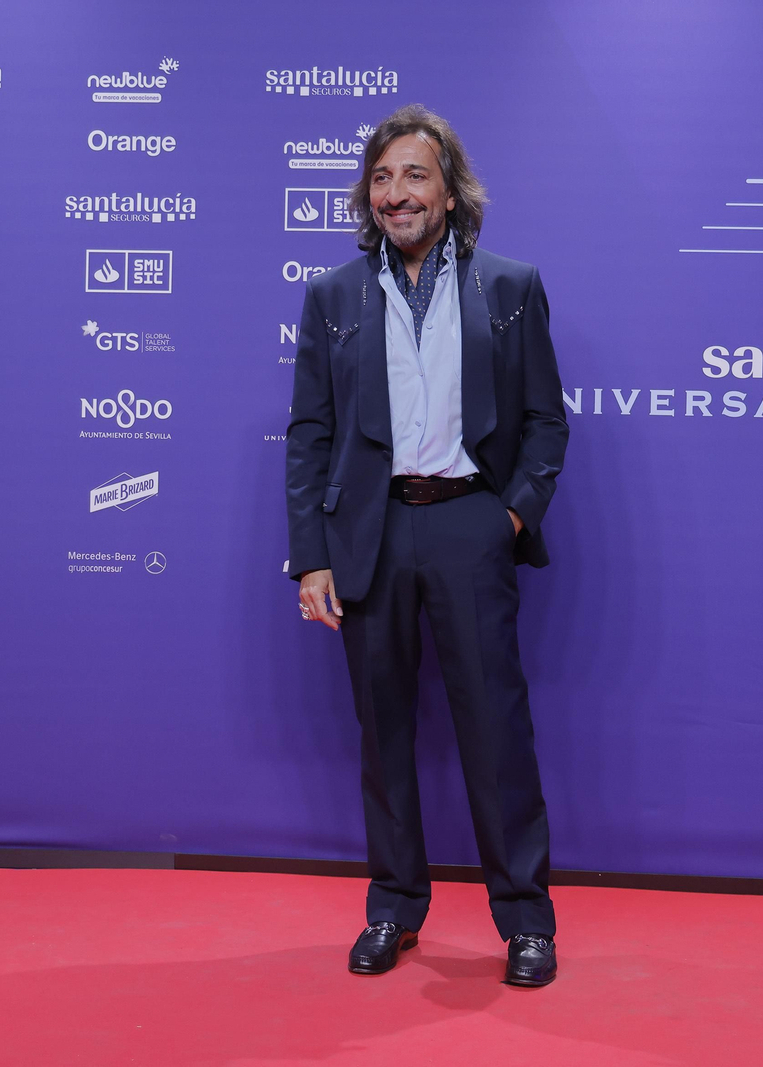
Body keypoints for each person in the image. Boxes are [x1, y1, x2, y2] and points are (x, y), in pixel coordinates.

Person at [285, 104, 568, 987]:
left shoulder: (509, 287)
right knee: (384, 734)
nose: (395, 194)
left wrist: (508, 516)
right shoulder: (333, 296)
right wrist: (313, 554)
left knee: (496, 730)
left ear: (450, 192)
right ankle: (393, 907)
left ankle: (525, 921)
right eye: (381, 178)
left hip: (466, 524)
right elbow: (309, 436)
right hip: (368, 533)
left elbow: (544, 424)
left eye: (414, 176)